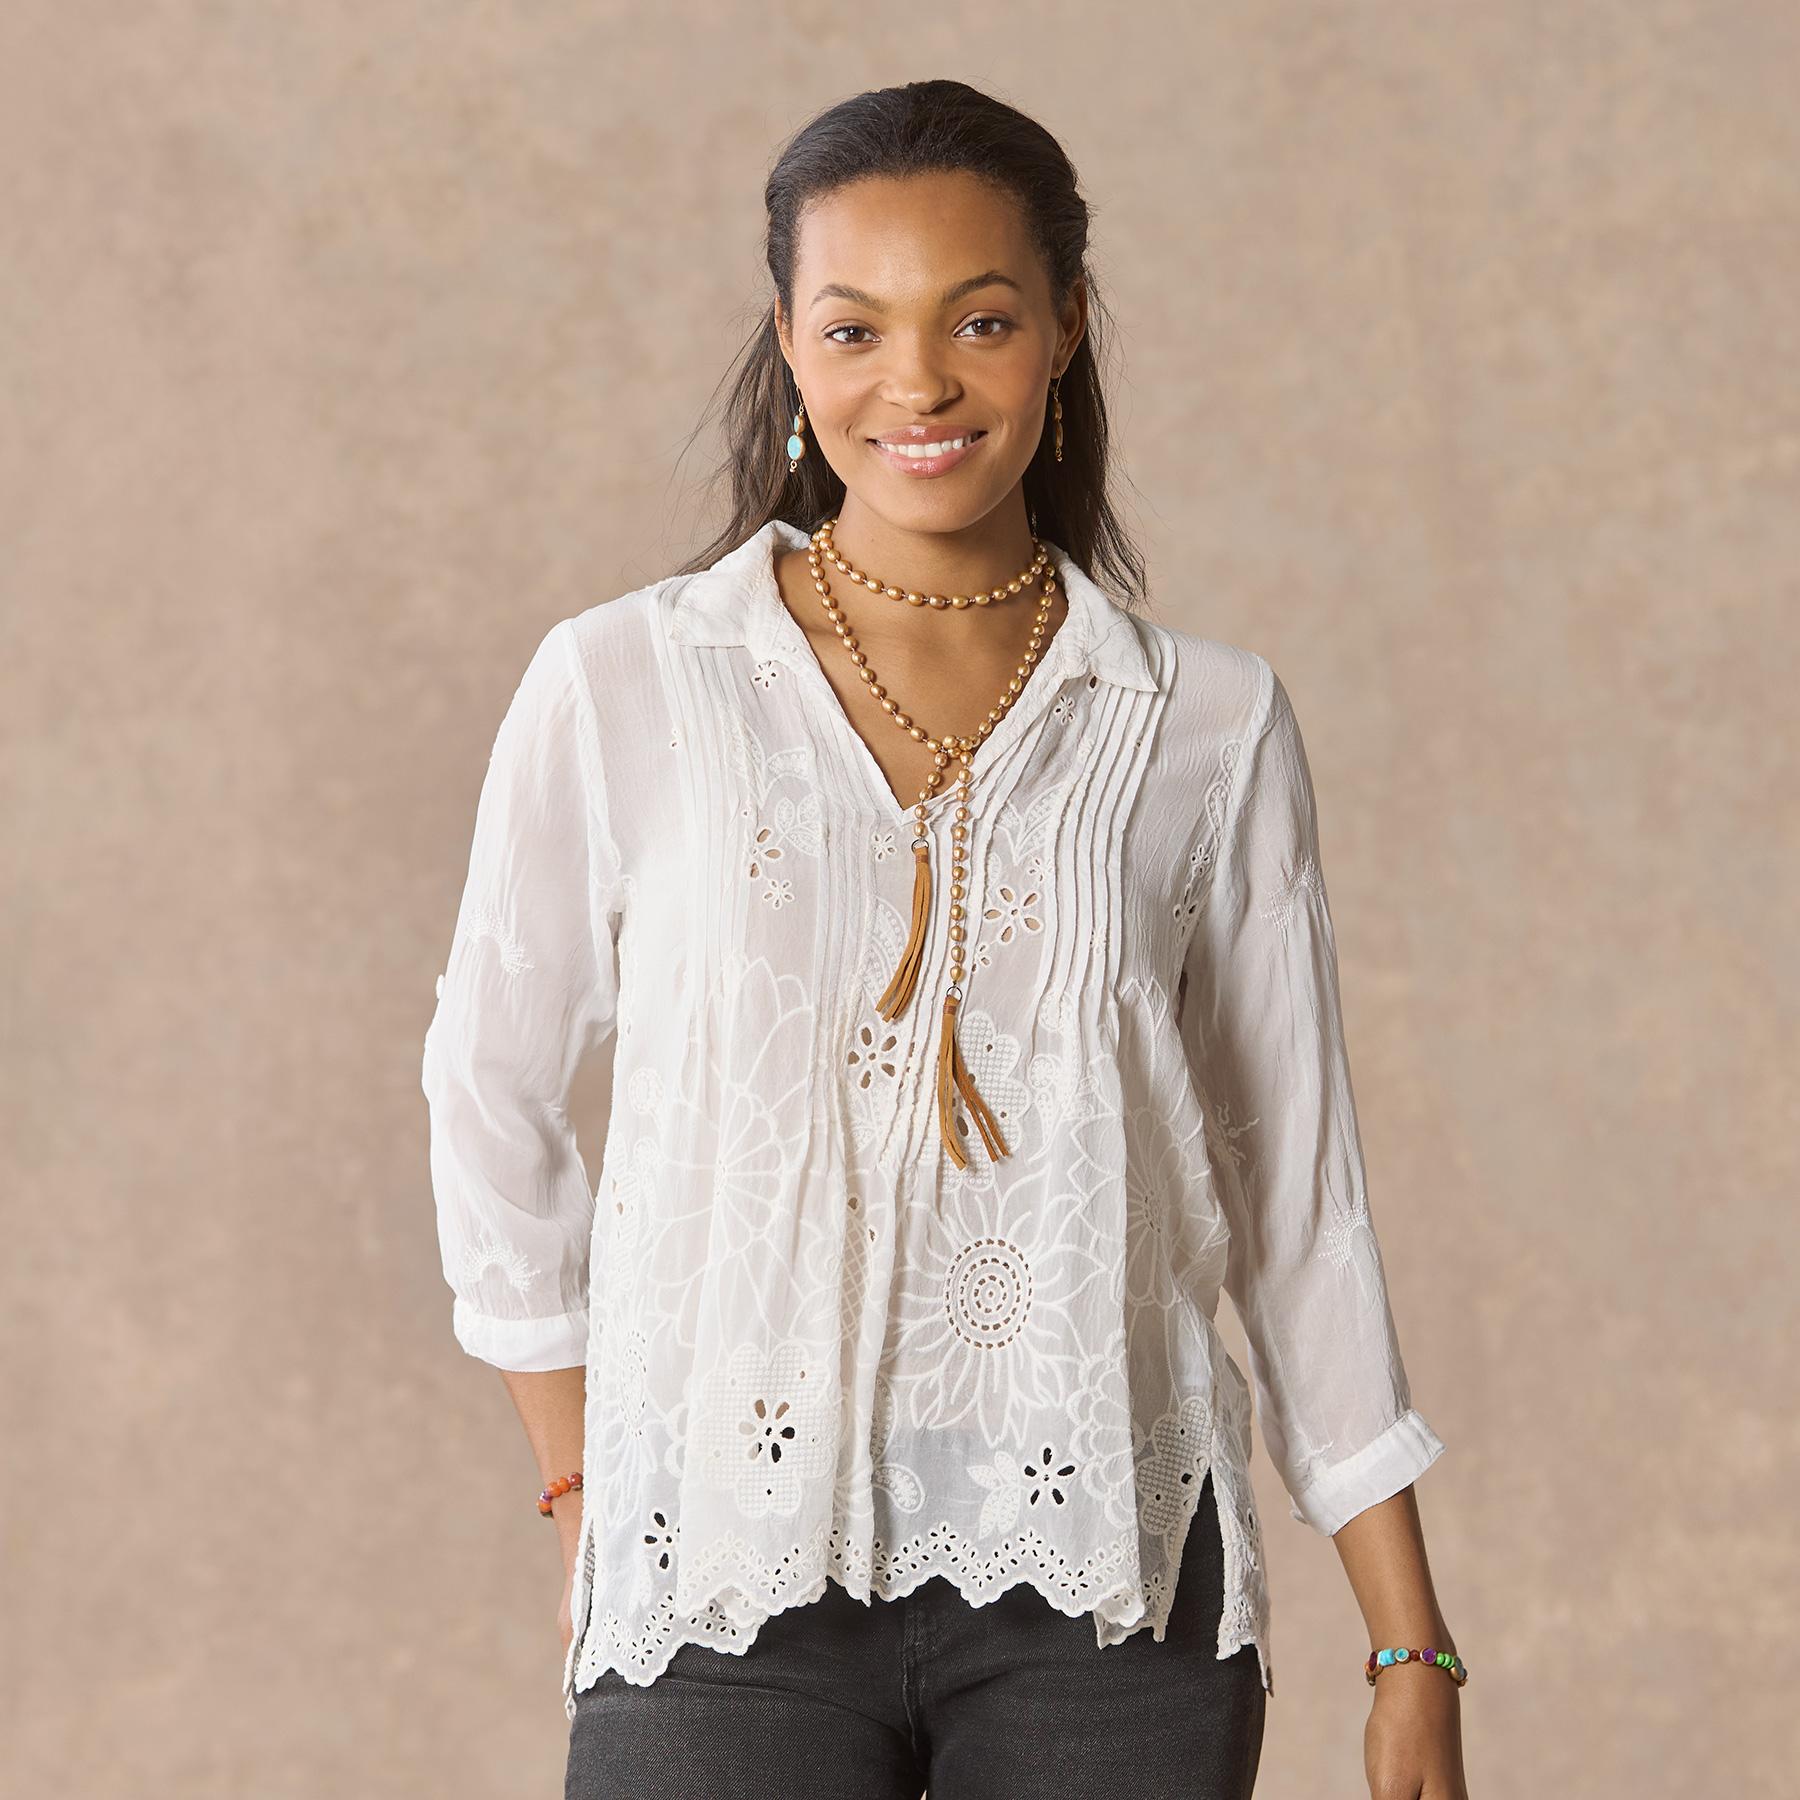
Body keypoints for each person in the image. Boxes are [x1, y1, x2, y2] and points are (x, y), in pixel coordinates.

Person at [420, 77, 1468, 1800]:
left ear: (1065, 329)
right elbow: (488, 1085)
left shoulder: (1204, 724)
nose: (915, 385)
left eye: (979, 320)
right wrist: (587, 1485)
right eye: (854, 329)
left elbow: (1299, 1207)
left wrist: (1409, 1644)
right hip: (720, 1570)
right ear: (789, 344)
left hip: (1113, 1587)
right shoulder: (627, 682)